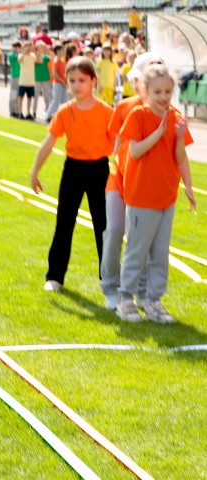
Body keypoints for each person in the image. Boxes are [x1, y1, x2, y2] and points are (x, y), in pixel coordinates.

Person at [116, 64, 196, 322]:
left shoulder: (175, 117)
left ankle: (153, 302)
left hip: (166, 196)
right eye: (158, 92)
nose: (164, 97)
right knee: (137, 251)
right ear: (145, 90)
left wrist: (189, 186)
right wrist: (159, 132)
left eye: (168, 92)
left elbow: (180, 157)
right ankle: (125, 300)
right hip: (142, 197)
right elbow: (136, 151)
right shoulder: (138, 115)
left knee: (160, 253)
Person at [29, 57, 115, 292]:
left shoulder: (107, 112)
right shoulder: (65, 111)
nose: (77, 85)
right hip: (73, 171)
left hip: (99, 170)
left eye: (82, 80)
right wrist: (35, 171)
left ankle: (108, 279)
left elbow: (118, 146)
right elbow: (49, 142)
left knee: (104, 226)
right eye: (72, 80)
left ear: (93, 81)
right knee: (64, 224)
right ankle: (55, 276)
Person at [101, 52, 163, 310]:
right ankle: (111, 287)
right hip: (121, 179)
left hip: (149, 184)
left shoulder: (168, 111)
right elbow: (116, 144)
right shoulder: (125, 107)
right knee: (115, 229)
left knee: (147, 240)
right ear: (136, 81)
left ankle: (143, 293)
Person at [45, 43, 72, 122]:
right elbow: (54, 73)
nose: (64, 51)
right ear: (58, 51)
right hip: (57, 83)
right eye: (62, 50)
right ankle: (49, 115)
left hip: (62, 83)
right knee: (56, 100)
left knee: (64, 101)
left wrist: (65, 81)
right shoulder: (56, 60)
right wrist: (62, 81)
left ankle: (62, 116)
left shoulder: (62, 60)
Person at [32, 41, 52, 119]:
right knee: (35, 96)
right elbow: (38, 60)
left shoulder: (46, 57)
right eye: (39, 47)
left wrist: (46, 50)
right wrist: (38, 52)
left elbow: (52, 58)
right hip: (37, 78)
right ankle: (34, 112)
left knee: (47, 97)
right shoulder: (34, 56)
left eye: (42, 47)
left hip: (45, 78)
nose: (41, 49)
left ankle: (47, 112)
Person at [17, 41, 36, 119]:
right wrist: (24, 52)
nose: (28, 48)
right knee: (20, 97)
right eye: (26, 46)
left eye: (29, 46)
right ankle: (20, 112)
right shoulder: (21, 55)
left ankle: (28, 113)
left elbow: (37, 60)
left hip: (31, 81)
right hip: (23, 80)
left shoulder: (33, 56)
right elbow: (20, 60)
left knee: (29, 97)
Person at [8, 41, 22, 118]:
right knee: (13, 94)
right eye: (16, 47)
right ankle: (12, 110)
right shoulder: (11, 55)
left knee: (18, 95)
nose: (18, 49)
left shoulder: (20, 55)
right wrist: (16, 51)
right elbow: (15, 57)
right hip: (15, 76)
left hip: (21, 76)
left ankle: (16, 110)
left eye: (19, 47)